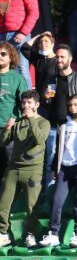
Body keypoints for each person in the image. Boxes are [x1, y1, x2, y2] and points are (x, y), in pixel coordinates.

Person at [40, 94, 77, 249]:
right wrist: (55, 167)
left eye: (75, 104)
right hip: (64, 170)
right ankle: (54, 234)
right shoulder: (63, 124)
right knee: (57, 201)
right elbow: (59, 148)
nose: (72, 107)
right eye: (70, 105)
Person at [0, 91, 48, 247]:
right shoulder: (18, 122)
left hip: (33, 170)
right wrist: (7, 128)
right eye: (24, 103)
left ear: (37, 105)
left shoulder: (43, 122)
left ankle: (31, 233)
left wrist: (31, 120)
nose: (25, 106)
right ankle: (4, 234)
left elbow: (39, 139)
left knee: (31, 207)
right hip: (13, 168)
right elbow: (3, 143)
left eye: (29, 103)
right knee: (3, 203)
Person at [41, 44, 77, 185]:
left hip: (72, 128)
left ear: (70, 59)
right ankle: (49, 195)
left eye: (62, 57)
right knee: (50, 162)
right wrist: (45, 99)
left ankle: (72, 190)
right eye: (57, 57)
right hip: (53, 127)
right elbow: (45, 105)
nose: (59, 60)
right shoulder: (51, 79)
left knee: (73, 160)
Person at [0, 0, 39, 83]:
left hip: (18, 34)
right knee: (6, 70)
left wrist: (23, 32)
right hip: (2, 34)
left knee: (22, 68)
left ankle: (27, 101)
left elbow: (34, 13)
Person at [0, 41, 27, 173]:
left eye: (3, 54)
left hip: (7, 129)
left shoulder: (18, 79)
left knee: (8, 167)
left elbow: (25, 105)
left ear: (11, 57)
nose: (0, 56)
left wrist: (15, 120)